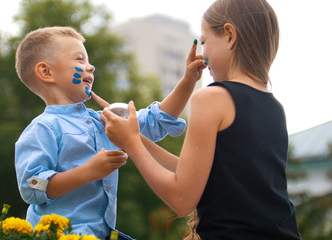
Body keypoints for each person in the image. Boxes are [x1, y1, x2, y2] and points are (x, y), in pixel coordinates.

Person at [100, 0, 302, 239]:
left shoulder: (212, 97)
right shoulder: (274, 106)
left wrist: (132, 144)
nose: (202, 54)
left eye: (204, 41)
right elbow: (199, 172)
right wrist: (134, 136)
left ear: (229, 36)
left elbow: (182, 199)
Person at [14, 26, 206, 240]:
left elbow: (155, 120)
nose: (91, 67)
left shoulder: (104, 121)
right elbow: (31, 186)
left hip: (101, 234)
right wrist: (89, 170)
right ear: (46, 72)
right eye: (79, 60)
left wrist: (189, 80)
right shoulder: (43, 128)